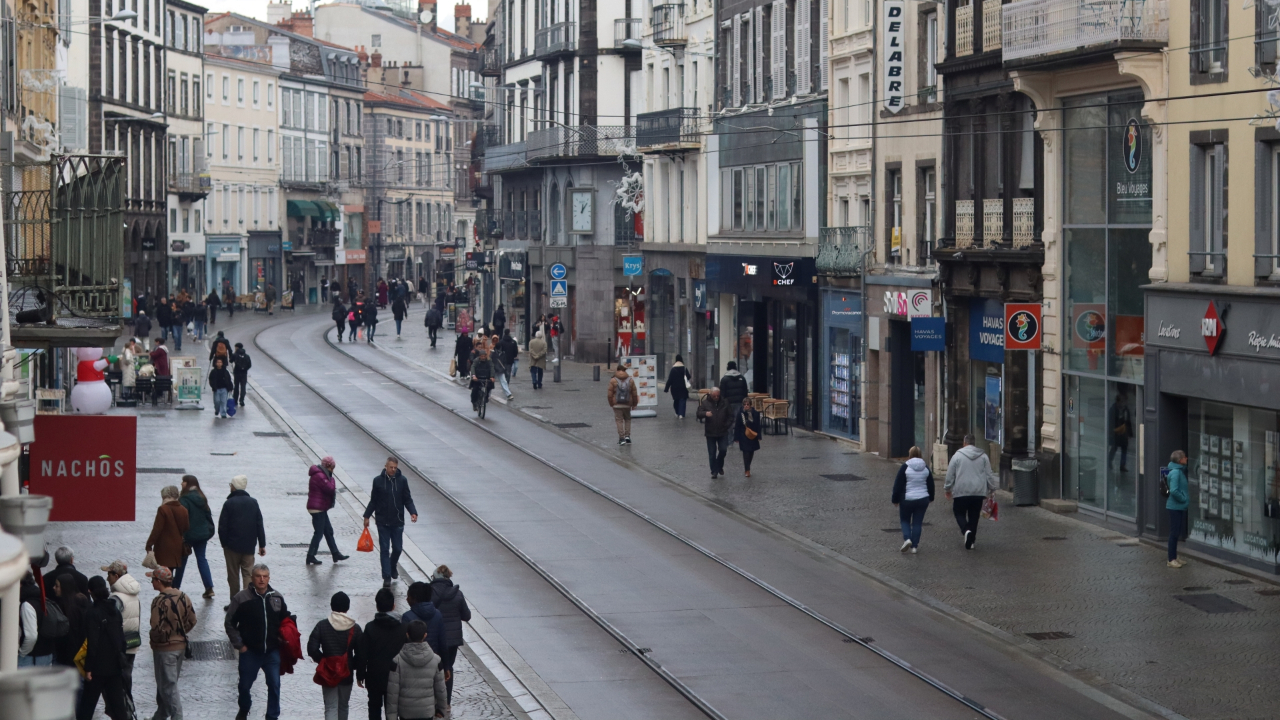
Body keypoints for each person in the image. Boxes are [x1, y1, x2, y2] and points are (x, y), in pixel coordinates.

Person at [226, 564, 288, 720]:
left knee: (274, 685)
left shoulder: (277, 597)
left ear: (269, 578)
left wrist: (284, 637)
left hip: (271, 651)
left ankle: (272, 716)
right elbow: (230, 623)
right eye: (258, 576)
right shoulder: (241, 598)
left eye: (265, 576)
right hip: (250, 651)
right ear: (252, 578)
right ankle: (244, 707)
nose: (262, 579)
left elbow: (285, 619)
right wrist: (240, 645)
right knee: (244, 685)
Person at [78, 576, 130, 720]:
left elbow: (93, 643)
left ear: (90, 591)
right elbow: (121, 638)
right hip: (114, 664)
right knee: (118, 706)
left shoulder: (92, 613)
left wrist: (88, 668)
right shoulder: (114, 611)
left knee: (87, 706)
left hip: (98, 667)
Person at [148, 566, 196, 720]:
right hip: (180, 646)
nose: (151, 583)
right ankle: (159, 717)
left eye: (153, 579)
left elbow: (155, 626)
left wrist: (157, 639)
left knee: (168, 686)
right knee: (168, 684)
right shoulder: (183, 596)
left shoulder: (159, 601)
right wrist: (179, 634)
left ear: (158, 581)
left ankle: (177, 717)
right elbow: (192, 620)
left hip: (164, 649)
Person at [363, 457, 418, 587]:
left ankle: (393, 566)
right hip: (383, 521)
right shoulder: (378, 481)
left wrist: (413, 512)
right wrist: (367, 516)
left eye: (395, 467)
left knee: (398, 548)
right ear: (386, 466)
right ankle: (386, 576)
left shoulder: (402, 481)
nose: (393, 470)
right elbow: (374, 501)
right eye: (391, 467)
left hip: (397, 521)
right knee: (384, 549)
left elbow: (407, 499)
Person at [308, 591, 362, 720]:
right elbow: (361, 653)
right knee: (343, 706)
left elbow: (312, 648)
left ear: (331, 606)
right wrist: (351, 664)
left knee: (330, 706)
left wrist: (323, 661)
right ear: (347, 607)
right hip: (346, 673)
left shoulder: (322, 625)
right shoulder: (355, 628)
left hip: (328, 673)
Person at [943, 435, 999, 550]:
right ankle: (971, 540)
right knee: (974, 516)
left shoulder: (957, 456)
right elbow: (989, 474)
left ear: (964, 443)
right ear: (974, 443)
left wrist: (947, 488)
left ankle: (966, 530)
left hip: (961, 491)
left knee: (959, 513)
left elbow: (950, 474)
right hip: (978, 492)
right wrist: (992, 488)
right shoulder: (983, 456)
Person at [384, 620, 448, 720]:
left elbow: (393, 691)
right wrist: (442, 709)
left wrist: (391, 716)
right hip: (427, 711)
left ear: (407, 635)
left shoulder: (397, 661)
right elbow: (441, 688)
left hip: (406, 712)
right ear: (425, 635)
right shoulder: (436, 660)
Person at [358, 588, 405, 720]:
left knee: (374, 708)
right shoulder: (403, 628)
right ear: (393, 606)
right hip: (396, 676)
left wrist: (361, 674)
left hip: (374, 676)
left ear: (377, 606)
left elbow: (363, 653)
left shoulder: (370, 628)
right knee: (393, 710)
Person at [429, 565, 471, 710]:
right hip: (452, 639)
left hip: (434, 638)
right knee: (448, 668)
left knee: (434, 668)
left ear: (434, 577)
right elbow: (467, 616)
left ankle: (434, 700)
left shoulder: (430, 593)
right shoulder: (457, 594)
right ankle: (446, 702)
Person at [218, 475, 267, 598]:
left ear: (234, 487)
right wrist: (262, 544)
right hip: (249, 545)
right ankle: (247, 600)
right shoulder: (253, 502)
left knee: (233, 575)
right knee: (248, 574)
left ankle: (235, 602)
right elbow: (259, 524)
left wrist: (225, 544)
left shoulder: (229, 503)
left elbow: (222, 526)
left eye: (231, 485)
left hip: (232, 546)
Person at [102, 560, 141, 703]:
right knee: (127, 678)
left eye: (109, 574)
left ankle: (124, 711)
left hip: (119, 646)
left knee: (118, 684)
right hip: (132, 642)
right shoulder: (133, 594)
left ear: (116, 575)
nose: (107, 578)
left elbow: (110, 622)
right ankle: (128, 708)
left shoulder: (116, 598)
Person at [175, 476, 216, 598]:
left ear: (187, 483)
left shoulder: (184, 499)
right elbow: (208, 515)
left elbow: (182, 519)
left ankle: (175, 587)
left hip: (188, 535)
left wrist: (182, 535)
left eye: (183, 481)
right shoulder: (202, 497)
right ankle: (209, 587)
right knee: (202, 559)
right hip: (202, 535)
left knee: (181, 561)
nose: (181, 483)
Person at [307, 457, 350, 565]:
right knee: (319, 533)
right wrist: (332, 479)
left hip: (320, 507)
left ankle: (335, 554)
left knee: (328, 531)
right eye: (332, 467)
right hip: (317, 508)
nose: (333, 470)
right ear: (328, 466)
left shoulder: (320, 474)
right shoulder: (320, 476)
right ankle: (310, 556)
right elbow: (330, 489)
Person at [892, 446, 936, 553]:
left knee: (905, 520)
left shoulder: (905, 467)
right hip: (923, 499)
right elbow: (931, 484)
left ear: (910, 454)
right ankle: (915, 547)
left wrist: (895, 500)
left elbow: (898, 485)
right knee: (917, 523)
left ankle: (907, 538)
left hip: (907, 499)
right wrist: (931, 497)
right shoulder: (926, 467)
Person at [145, 485, 191, 575]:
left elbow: (157, 529)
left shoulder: (163, 509)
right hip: (177, 547)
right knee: (170, 573)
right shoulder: (184, 510)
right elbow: (186, 527)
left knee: (162, 574)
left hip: (163, 548)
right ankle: (171, 587)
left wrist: (149, 545)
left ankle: (166, 589)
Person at [51, 574, 89, 668]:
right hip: (75, 654)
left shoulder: (67, 607)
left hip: (67, 655)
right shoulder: (79, 603)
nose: (54, 588)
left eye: (57, 586)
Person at [18, 571, 55, 667]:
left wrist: (22, 653)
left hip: (31, 658)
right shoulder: (41, 598)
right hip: (46, 653)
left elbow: (31, 636)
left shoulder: (26, 605)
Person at [401, 582, 445, 658]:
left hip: (412, 658)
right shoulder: (438, 614)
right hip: (432, 658)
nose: (407, 599)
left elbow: (403, 642)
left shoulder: (407, 617)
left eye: (408, 596)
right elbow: (442, 641)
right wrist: (446, 666)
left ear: (414, 598)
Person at [699, 387, 733, 478]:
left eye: (718, 395)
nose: (716, 397)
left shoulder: (725, 402)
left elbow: (731, 415)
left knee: (723, 450)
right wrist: (705, 414)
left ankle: (719, 466)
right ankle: (714, 471)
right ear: (711, 395)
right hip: (710, 432)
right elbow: (698, 413)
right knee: (712, 453)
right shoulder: (705, 403)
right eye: (714, 396)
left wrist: (726, 425)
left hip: (723, 431)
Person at [1166, 450, 1190, 568]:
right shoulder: (1176, 472)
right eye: (1185, 457)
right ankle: (1171, 559)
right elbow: (1174, 490)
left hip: (1178, 506)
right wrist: (1183, 499)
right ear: (1180, 460)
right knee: (1174, 533)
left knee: (1176, 533)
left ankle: (1174, 556)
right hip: (1175, 506)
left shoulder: (1179, 471)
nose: (1187, 458)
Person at [607, 364, 639, 445]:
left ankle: (622, 438)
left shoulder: (613, 380)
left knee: (619, 420)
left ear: (617, 370)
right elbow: (634, 393)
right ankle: (627, 436)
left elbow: (609, 394)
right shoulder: (630, 380)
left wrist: (611, 403)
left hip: (617, 404)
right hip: (627, 403)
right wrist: (634, 404)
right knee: (627, 419)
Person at [734, 401, 762, 477]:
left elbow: (758, 425)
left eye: (747, 404)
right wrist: (736, 437)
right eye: (744, 404)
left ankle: (748, 466)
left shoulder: (755, 413)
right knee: (746, 452)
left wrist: (759, 436)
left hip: (753, 435)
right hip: (743, 435)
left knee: (751, 452)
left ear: (750, 405)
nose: (746, 406)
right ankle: (747, 469)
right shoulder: (740, 414)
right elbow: (737, 426)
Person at [1109, 393, 1133, 473]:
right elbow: (1110, 422)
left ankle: (1122, 465)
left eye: (1124, 401)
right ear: (1118, 402)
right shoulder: (1113, 409)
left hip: (1123, 433)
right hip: (1116, 432)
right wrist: (1112, 432)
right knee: (1114, 448)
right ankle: (1109, 461)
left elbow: (1128, 422)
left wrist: (1130, 433)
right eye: (1122, 401)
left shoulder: (1126, 410)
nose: (1124, 403)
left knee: (1124, 449)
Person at [663, 355, 692, 419]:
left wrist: (666, 389)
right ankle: (681, 414)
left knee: (676, 400)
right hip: (683, 388)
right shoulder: (684, 368)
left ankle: (677, 412)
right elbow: (689, 376)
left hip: (675, 388)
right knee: (682, 400)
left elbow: (669, 380)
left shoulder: (673, 369)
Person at [496, 330, 518, 399]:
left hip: (502, 360)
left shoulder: (501, 342)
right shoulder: (513, 342)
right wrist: (513, 356)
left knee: (503, 374)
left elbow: (498, 350)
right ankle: (506, 385)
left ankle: (505, 387)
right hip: (510, 360)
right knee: (508, 373)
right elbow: (515, 352)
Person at [231, 343, 252, 408]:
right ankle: (242, 400)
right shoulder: (247, 356)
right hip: (244, 373)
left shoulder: (235, 355)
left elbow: (230, 361)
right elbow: (249, 365)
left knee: (236, 386)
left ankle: (235, 400)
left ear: (237, 347)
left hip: (237, 372)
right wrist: (244, 369)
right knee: (243, 387)